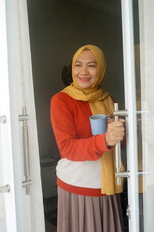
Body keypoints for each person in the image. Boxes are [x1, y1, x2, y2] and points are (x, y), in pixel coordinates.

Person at [50, 45, 125, 232]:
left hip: (107, 185)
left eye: (91, 65)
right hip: (78, 185)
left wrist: (128, 130)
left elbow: (119, 143)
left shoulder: (108, 99)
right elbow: (67, 148)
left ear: (100, 70)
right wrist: (105, 140)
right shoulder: (61, 100)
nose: (83, 71)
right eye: (78, 65)